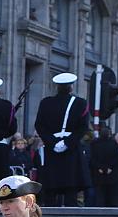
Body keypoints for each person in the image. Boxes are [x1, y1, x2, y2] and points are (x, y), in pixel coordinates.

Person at [35, 72, 89, 206]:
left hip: (51, 149)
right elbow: (82, 128)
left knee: (51, 188)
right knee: (71, 187)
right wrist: (67, 143)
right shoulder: (80, 103)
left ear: (57, 87)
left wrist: (52, 142)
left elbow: (39, 125)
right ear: (71, 87)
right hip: (71, 149)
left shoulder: (45, 103)